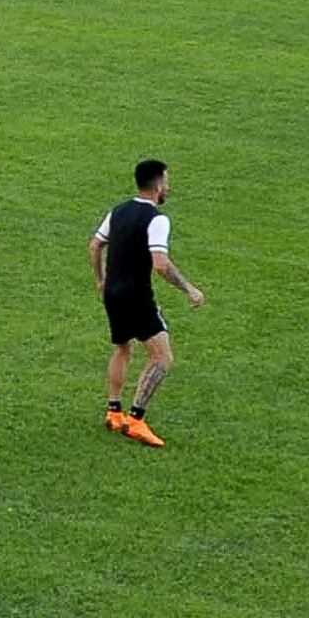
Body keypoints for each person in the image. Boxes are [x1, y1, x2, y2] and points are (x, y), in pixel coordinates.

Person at [91, 157, 208, 448]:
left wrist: (101, 280)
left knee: (123, 347)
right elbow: (161, 264)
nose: (168, 187)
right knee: (162, 357)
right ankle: (136, 420)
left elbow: (96, 245)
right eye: (166, 181)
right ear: (157, 186)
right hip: (136, 296)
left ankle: (114, 411)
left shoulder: (118, 210)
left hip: (113, 292)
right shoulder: (157, 219)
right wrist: (189, 289)